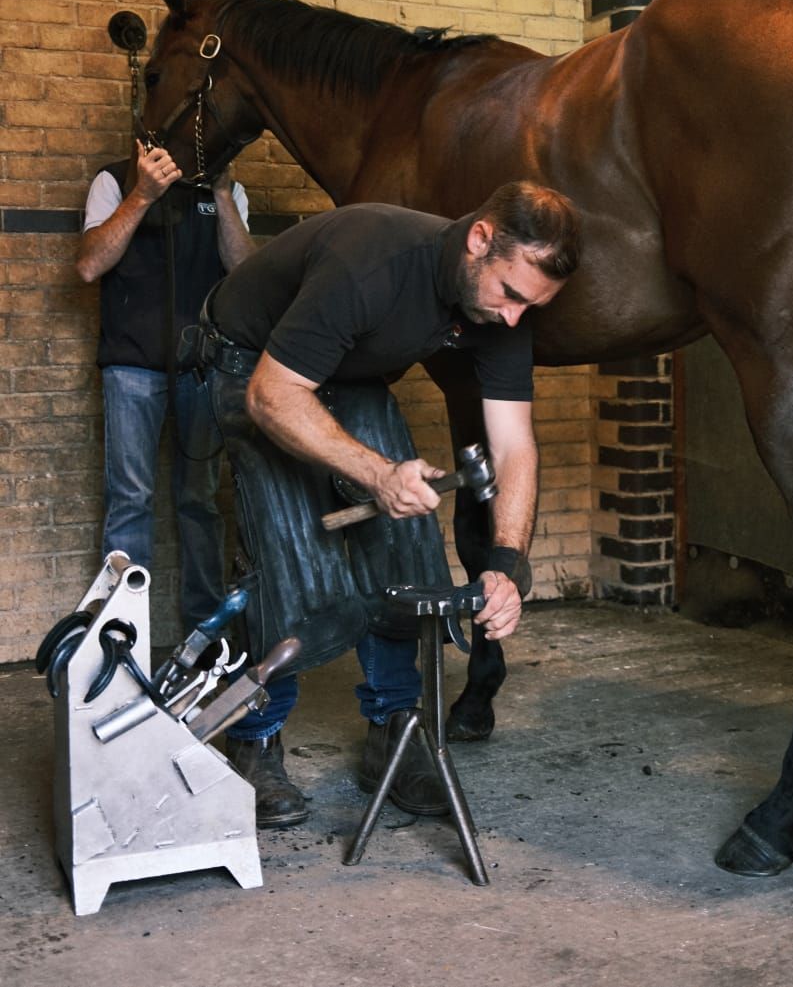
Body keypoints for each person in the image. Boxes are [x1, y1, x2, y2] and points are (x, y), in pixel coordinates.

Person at [196, 181, 581, 829]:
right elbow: (272, 394)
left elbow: (513, 445)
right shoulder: (373, 259)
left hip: (348, 373)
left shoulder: (503, 304)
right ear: (479, 239)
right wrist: (377, 473)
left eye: (530, 304)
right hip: (253, 367)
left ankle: (395, 733)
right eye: (512, 295)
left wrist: (507, 562)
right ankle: (255, 737)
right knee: (289, 550)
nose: (516, 317)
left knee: (406, 545)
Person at [76, 140, 254, 629]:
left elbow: (246, 274)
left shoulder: (228, 189)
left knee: (199, 499)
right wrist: (144, 195)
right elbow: (89, 264)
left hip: (201, 368)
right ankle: (122, 633)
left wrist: (219, 193)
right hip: (131, 365)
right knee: (130, 498)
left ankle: (204, 631)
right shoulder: (114, 180)